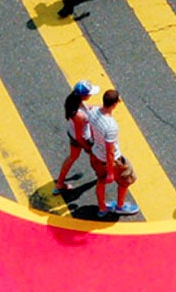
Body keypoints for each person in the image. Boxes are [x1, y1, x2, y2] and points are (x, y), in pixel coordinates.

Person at [86, 89, 139, 217]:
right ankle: (120, 206)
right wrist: (111, 172)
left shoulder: (92, 112)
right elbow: (110, 152)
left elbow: (91, 108)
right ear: (115, 104)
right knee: (126, 180)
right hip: (111, 160)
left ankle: (102, 208)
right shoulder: (111, 126)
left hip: (95, 155)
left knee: (100, 181)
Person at [53, 80, 99, 193]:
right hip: (81, 138)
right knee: (96, 156)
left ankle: (59, 183)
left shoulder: (73, 101)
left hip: (72, 133)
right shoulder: (79, 116)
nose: (91, 95)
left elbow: (86, 109)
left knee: (72, 157)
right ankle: (101, 175)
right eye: (90, 93)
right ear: (84, 96)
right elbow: (80, 136)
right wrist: (87, 147)